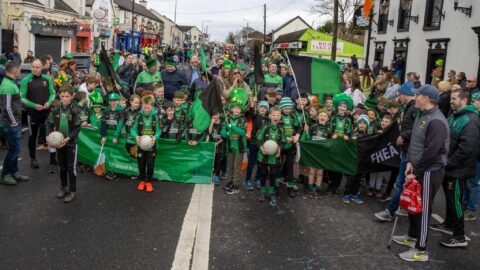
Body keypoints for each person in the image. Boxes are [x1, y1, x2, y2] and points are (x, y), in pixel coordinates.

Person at [392, 84, 449, 262]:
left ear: (426, 99)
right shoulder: (422, 114)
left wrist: (415, 171)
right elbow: (417, 143)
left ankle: (421, 250)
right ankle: (412, 237)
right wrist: (410, 161)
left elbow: (432, 152)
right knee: (413, 204)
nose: (415, 97)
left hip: (430, 170)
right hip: (418, 167)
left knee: (423, 208)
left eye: (418, 95)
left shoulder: (437, 120)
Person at [429, 87, 479, 248]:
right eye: (450, 99)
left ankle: (459, 236)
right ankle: (449, 225)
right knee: (450, 201)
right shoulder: (455, 115)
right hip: (449, 168)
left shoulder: (471, 120)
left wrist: (447, 163)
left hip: (457, 170)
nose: (450, 101)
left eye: (454, 99)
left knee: (456, 202)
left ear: (464, 100)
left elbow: (467, 149)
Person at [375, 81, 417, 221]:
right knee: (404, 182)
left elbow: (418, 129)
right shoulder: (409, 107)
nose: (398, 97)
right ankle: (403, 207)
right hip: (406, 149)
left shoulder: (414, 108)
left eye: (400, 94)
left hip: (410, 150)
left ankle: (390, 211)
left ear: (405, 95)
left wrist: (403, 135)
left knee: (401, 182)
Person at [47, 83, 81, 203]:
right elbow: (49, 123)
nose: (64, 99)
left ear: (72, 96)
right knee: (62, 167)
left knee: (71, 168)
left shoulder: (75, 110)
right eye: (62, 96)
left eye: (67, 96)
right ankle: (64, 187)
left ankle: (72, 191)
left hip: (70, 144)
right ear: (59, 97)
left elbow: (77, 128)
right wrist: (49, 136)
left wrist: (67, 139)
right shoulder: (56, 109)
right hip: (58, 144)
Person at [20, 59, 56, 169]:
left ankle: (53, 159)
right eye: (33, 67)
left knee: (51, 136)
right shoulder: (26, 80)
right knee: (33, 136)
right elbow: (22, 97)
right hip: (33, 113)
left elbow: (53, 93)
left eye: (37, 67)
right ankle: (33, 158)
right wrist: (34, 106)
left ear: (42, 68)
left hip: (47, 112)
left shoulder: (47, 78)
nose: (35, 69)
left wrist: (49, 103)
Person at [0, 62, 29, 185]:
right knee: (14, 150)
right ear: (14, 70)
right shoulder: (7, 85)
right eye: (19, 69)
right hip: (11, 124)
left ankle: (14, 172)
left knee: (15, 149)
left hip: (15, 122)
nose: (20, 71)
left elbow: (13, 103)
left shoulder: (11, 82)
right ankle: (5, 174)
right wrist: (13, 122)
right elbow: (7, 107)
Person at [131, 95, 161, 193]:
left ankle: (149, 182)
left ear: (152, 106)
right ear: (141, 106)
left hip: (151, 146)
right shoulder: (138, 116)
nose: (146, 109)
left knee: (150, 164)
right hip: (140, 145)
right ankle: (142, 181)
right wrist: (136, 136)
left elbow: (158, 130)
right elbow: (133, 129)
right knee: (141, 164)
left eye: (148, 107)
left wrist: (155, 138)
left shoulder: (155, 117)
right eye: (144, 107)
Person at [256, 106, 285, 203]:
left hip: (275, 156)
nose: (276, 117)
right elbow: (258, 140)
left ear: (280, 116)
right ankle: (263, 191)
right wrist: (261, 148)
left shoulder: (281, 129)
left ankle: (271, 192)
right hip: (263, 155)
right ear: (269, 116)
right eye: (274, 115)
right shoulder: (265, 127)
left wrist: (279, 150)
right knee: (263, 173)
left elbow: (282, 142)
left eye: (278, 115)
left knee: (273, 174)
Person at [221, 99, 247, 195]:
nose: (236, 110)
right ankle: (231, 181)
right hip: (230, 145)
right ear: (231, 109)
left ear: (241, 109)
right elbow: (223, 131)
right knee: (230, 166)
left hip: (239, 146)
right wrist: (226, 133)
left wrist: (233, 127)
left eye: (238, 108)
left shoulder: (243, 119)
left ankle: (236, 185)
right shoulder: (228, 118)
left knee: (237, 167)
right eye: (234, 108)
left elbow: (243, 132)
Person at [303, 107, 332, 197]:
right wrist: (306, 132)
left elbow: (330, 143)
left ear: (327, 118)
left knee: (320, 172)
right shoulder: (313, 127)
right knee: (311, 171)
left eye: (325, 116)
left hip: (322, 154)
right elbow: (307, 139)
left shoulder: (329, 130)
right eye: (321, 115)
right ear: (318, 117)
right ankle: (310, 187)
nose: (322, 117)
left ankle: (318, 188)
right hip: (313, 153)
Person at [343, 115, 370, 203]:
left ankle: (354, 194)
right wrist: (350, 139)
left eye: (364, 123)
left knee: (358, 178)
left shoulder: (369, 135)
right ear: (357, 124)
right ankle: (346, 194)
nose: (362, 125)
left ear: (367, 125)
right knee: (351, 177)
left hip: (362, 160)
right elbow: (348, 144)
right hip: (353, 160)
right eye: (360, 123)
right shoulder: (353, 133)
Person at [245, 101, 270, 189]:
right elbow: (249, 113)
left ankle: (258, 179)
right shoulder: (255, 116)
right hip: (253, 142)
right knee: (251, 163)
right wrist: (251, 106)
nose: (263, 109)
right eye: (261, 107)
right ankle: (247, 180)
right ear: (258, 108)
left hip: (263, 144)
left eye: (265, 107)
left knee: (261, 163)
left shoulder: (268, 120)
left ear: (267, 110)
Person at [100, 93, 125, 180]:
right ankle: (109, 170)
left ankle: (116, 170)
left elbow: (120, 124)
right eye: (111, 101)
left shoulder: (121, 111)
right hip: (108, 135)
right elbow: (103, 124)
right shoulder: (106, 111)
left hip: (117, 135)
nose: (113, 102)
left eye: (115, 100)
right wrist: (103, 136)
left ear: (118, 101)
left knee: (116, 153)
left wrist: (115, 136)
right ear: (109, 102)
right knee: (108, 152)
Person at [209, 113, 225, 186]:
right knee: (212, 159)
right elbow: (209, 132)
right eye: (213, 115)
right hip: (211, 144)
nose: (214, 116)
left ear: (219, 115)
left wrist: (217, 143)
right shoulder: (210, 122)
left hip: (220, 144)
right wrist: (211, 124)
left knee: (219, 160)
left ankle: (217, 176)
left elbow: (224, 136)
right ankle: (212, 174)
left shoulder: (223, 123)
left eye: (216, 114)